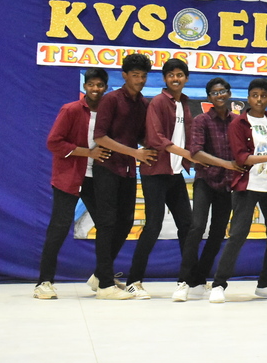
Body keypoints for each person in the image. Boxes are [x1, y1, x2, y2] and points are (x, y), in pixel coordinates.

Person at [34, 68, 112, 299]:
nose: (95, 89)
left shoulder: (109, 112)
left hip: (97, 178)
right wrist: (88, 153)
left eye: (100, 85)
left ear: (106, 87)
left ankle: (102, 277)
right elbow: (54, 142)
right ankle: (44, 283)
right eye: (91, 84)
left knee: (108, 226)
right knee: (59, 228)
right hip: (70, 177)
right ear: (85, 86)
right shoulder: (71, 110)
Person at [210, 78, 267, 303]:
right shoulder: (239, 123)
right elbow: (241, 158)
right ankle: (218, 284)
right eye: (255, 95)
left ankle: (266, 284)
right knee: (238, 234)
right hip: (248, 184)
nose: (259, 100)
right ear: (248, 98)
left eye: (263, 96)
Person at [124, 57, 196, 299]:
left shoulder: (184, 103)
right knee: (153, 226)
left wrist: (195, 154)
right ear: (165, 78)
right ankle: (133, 281)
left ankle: (189, 280)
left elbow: (188, 136)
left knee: (187, 225)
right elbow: (156, 139)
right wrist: (188, 154)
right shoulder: (157, 102)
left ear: (186, 78)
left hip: (175, 173)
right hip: (155, 173)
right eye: (171, 75)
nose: (176, 78)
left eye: (180, 75)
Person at [91, 53, 157, 300]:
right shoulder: (111, 100)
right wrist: (135, 152)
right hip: (107, 167)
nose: (140, 80)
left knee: (126, 222)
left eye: (143, 76)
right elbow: (100, 137)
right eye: (135, 75)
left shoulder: (143, 104)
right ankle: (105, 286)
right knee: (107, 223)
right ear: (124, 75)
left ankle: (100, 274)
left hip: (128, 170)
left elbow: (140, 136)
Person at [173, 77, 242, 302]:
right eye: (214, 92)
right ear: (209, 97)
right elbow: (196, 152)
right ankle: (183, 281)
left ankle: (199, 279)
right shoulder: (201, 120)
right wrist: (226, 164)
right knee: (196, 227)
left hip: (228, 184)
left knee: (218, 232)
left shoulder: (237, 121)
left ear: (229, 93)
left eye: (222, 91)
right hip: (205, 180)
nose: (219, 95)